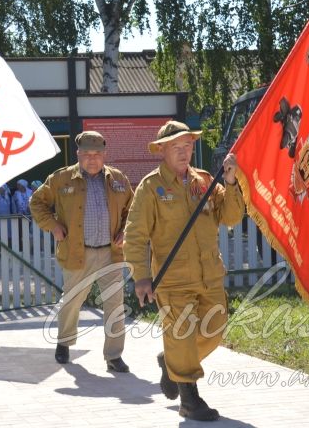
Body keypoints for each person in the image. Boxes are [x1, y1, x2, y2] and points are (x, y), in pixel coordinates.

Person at [124, 121, 245, 421]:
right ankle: (189, 399)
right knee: (181, 336)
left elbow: (231, 216)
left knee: (214, 330)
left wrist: (230, 182)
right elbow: (135, 235)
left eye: (188, 145)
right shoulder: (151, 188)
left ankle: (171, 364)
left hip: (210, 275)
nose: (184, 152)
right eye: (176, 147)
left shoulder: (204, 181)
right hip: (173, 279)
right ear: (162, 150)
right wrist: (141, 276)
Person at [30, 131, 133, 371]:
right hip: (78, 251)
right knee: (72, 301)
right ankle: (64, 342)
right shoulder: (62, 179)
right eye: (86, 154)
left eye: (97, 154)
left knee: (115, 304)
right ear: (78, 154)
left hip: (111, 252)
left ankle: (114, 356)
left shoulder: (117, 179)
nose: (92, 159)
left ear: (104, 155)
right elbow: (37, 203)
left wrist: (126, 231)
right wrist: (53, 225)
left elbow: (133, 209)